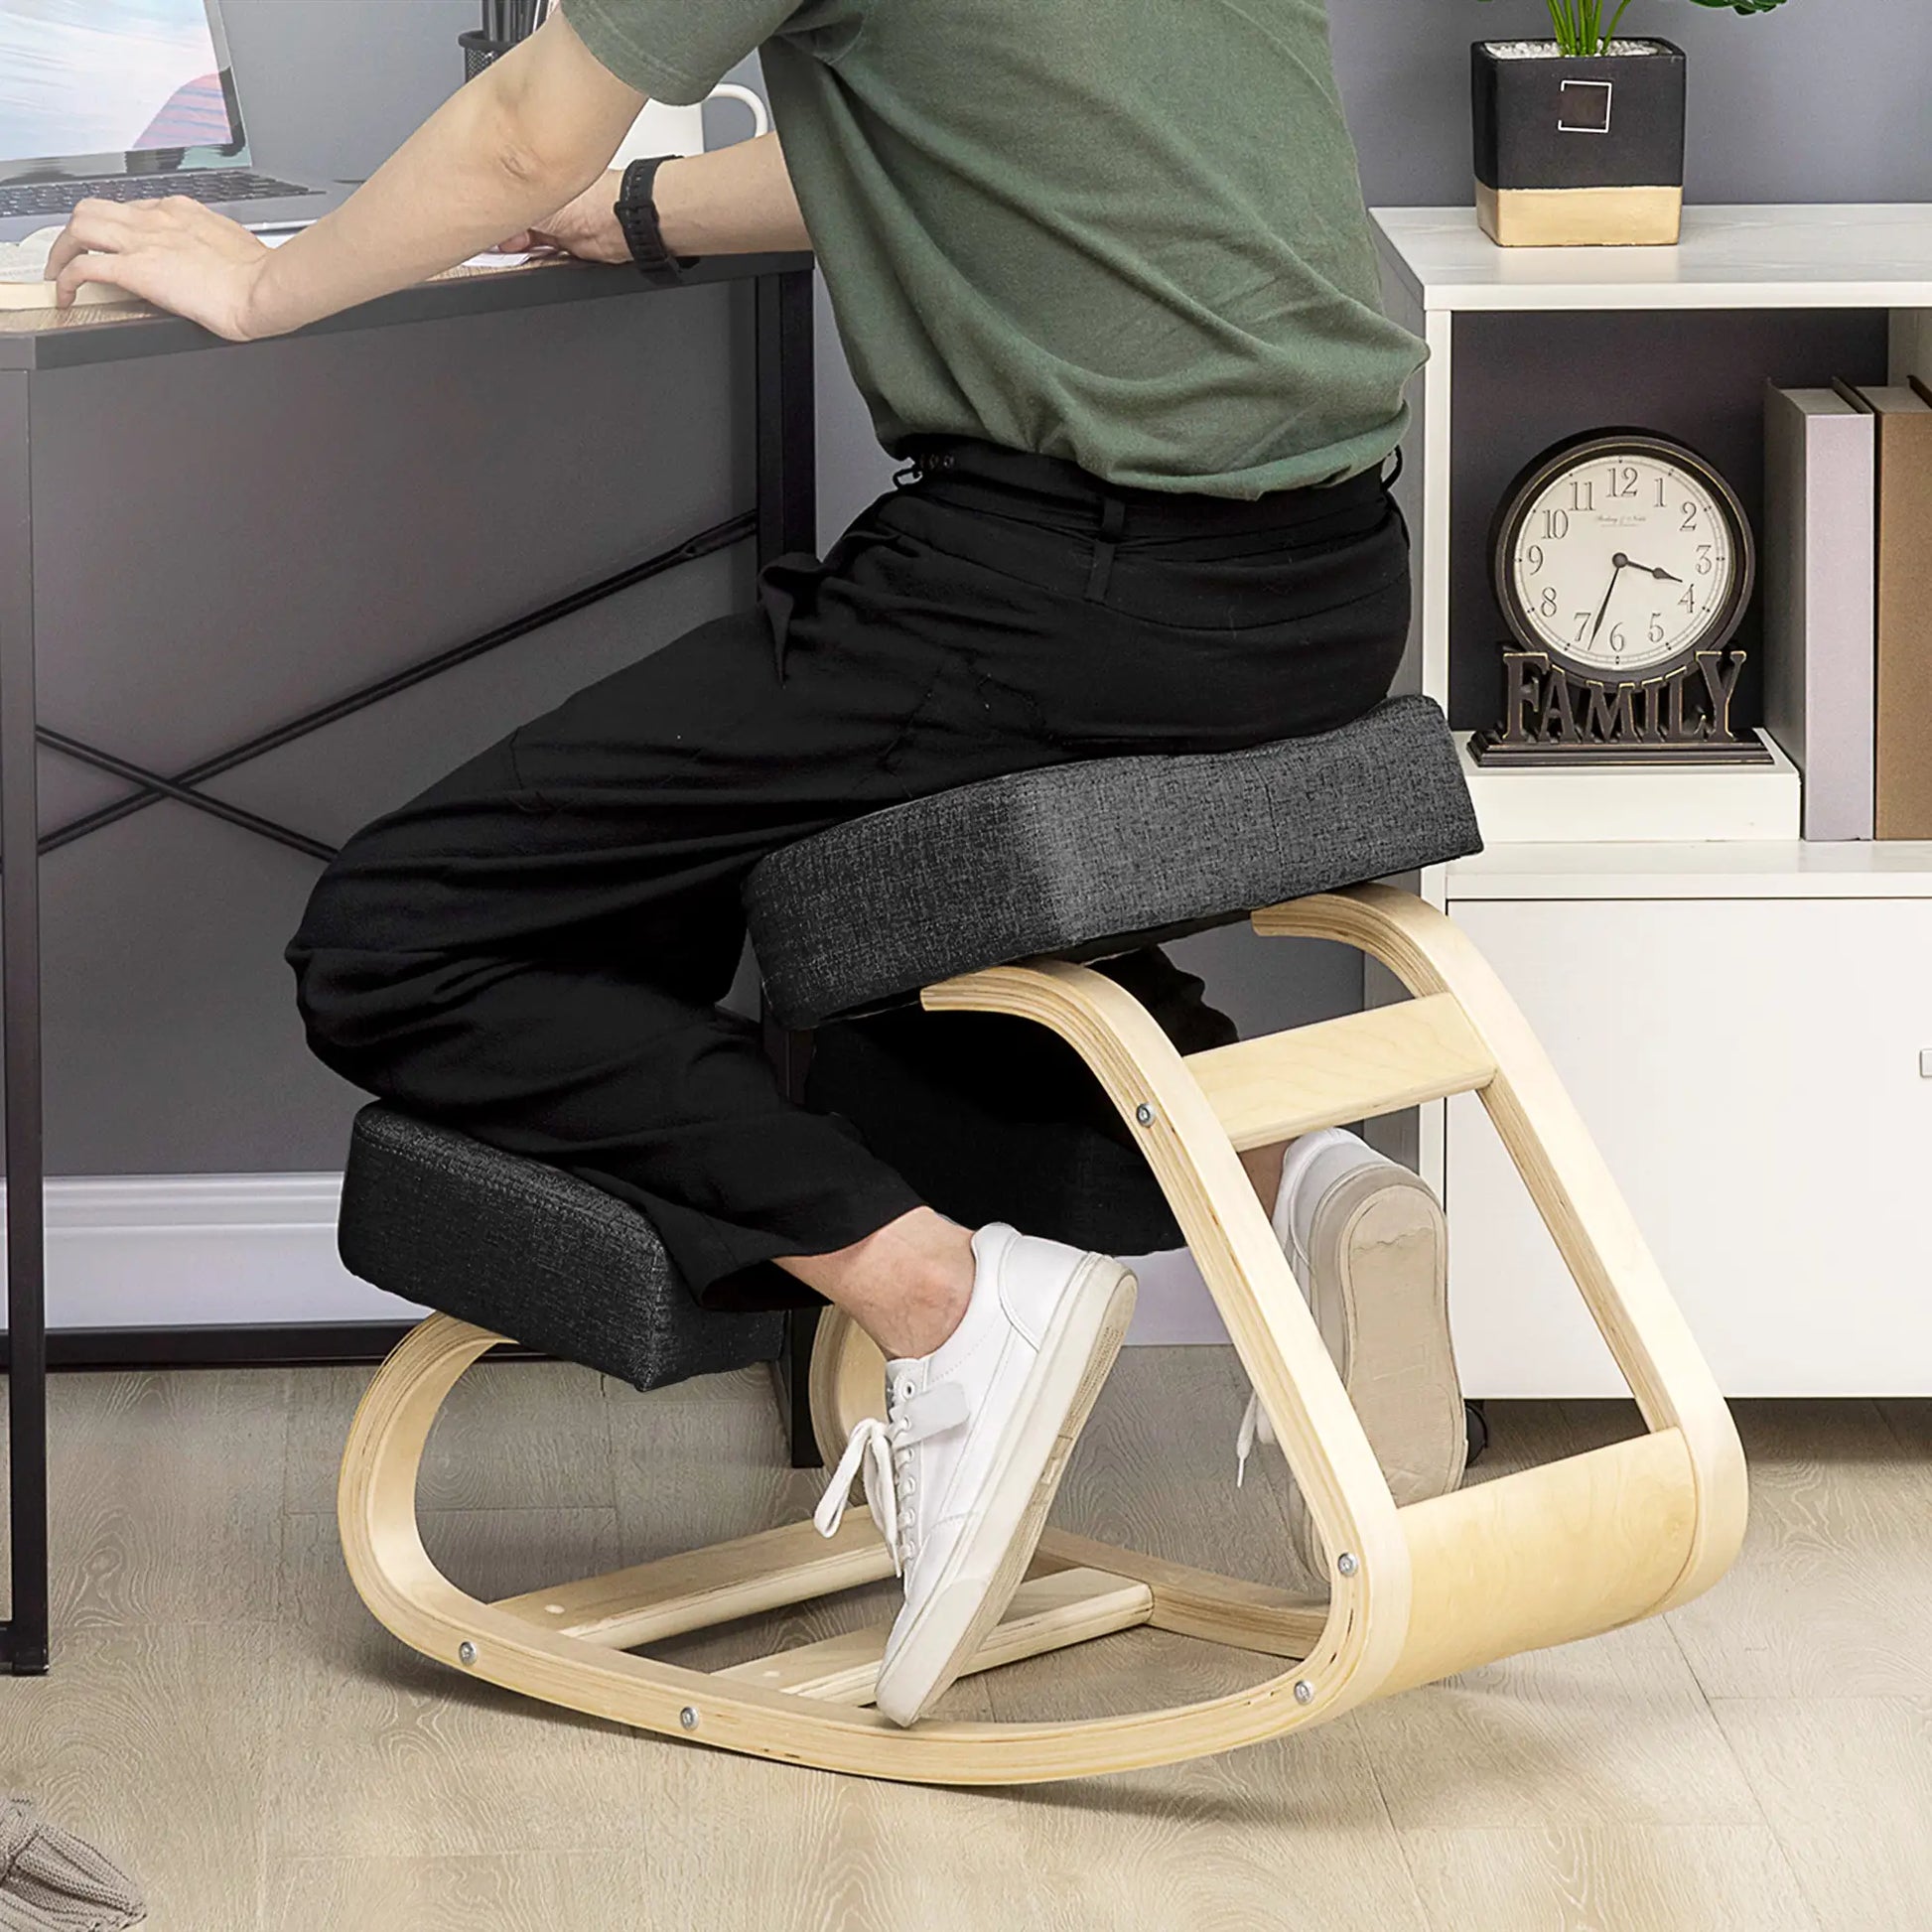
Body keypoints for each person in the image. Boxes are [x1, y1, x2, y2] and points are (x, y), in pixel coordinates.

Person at [47, 0, 1465, 1727]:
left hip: (1065, 588)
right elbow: (969, 148)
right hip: (1325, 578)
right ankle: (1287, 1173)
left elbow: (518, 127)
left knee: (401, 940)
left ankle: (934, 1298)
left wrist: (261, 280)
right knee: (861, 931)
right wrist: (633, 214)